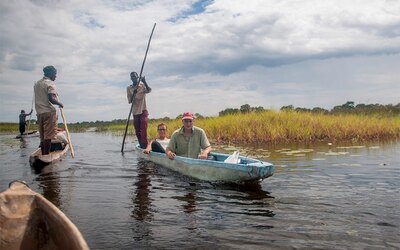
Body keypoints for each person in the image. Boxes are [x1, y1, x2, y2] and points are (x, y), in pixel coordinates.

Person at [34, 65, 64, 155]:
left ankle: (43, 154)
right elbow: (51, 98)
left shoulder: (37, 84)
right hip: (49, 112)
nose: (56, 76)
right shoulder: (50, 83)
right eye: (55, 74)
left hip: (39, 113)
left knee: (43, 136)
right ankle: (46, 156)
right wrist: (60, 103)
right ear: (50, 73)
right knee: (48, 136)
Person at [128, 72, 151, 149]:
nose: (133, 78)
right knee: (137, 131)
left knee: (143, 127)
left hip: (143, 109)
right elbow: (130, 101)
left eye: (135, 76)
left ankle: (145, 145)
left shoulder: (142, 86)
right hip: (135, 112)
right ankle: (141, 145)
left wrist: (144, 81)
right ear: (131, 78)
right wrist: (133, 94)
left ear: (137, 77)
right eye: (132, 77)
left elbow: (149, 90)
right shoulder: (129, 88)